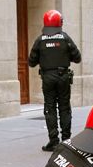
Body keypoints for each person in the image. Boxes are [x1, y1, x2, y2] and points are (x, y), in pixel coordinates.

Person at [28, 10, 82, 151]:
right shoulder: (65, 38)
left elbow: (31, 62)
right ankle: (66, 140)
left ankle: (53, 141)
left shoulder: (40, 40)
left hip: (48, 77)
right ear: (59, 23)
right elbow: (77, 57)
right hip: (63, 76)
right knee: (64, 108)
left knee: (50, 108)